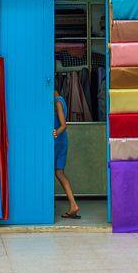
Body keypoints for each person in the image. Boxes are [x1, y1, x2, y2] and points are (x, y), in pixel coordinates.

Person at [54, 89, 80, 219]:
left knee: (54, 172)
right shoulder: (62, 100)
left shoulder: (57, 102)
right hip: (62, 141)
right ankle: (73, 205)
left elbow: (63, 125)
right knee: (59, 173)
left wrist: (55, 133)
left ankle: (48, 204)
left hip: (57, 142)